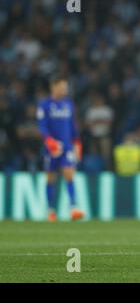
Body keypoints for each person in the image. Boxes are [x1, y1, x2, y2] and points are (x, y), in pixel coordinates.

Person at [37, 75, 84, 222]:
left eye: (66, 87)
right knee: (50, 177)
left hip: (67, 146)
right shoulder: (44, 105)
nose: (65, 90)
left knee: (69, 173)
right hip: (51, 147)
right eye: (62, 87)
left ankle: (73, 208)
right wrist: (49, 141)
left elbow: (72, 124)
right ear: (54, 87)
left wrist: (77, 142)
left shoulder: (68, 104)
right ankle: (50, 210)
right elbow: (42, 125)